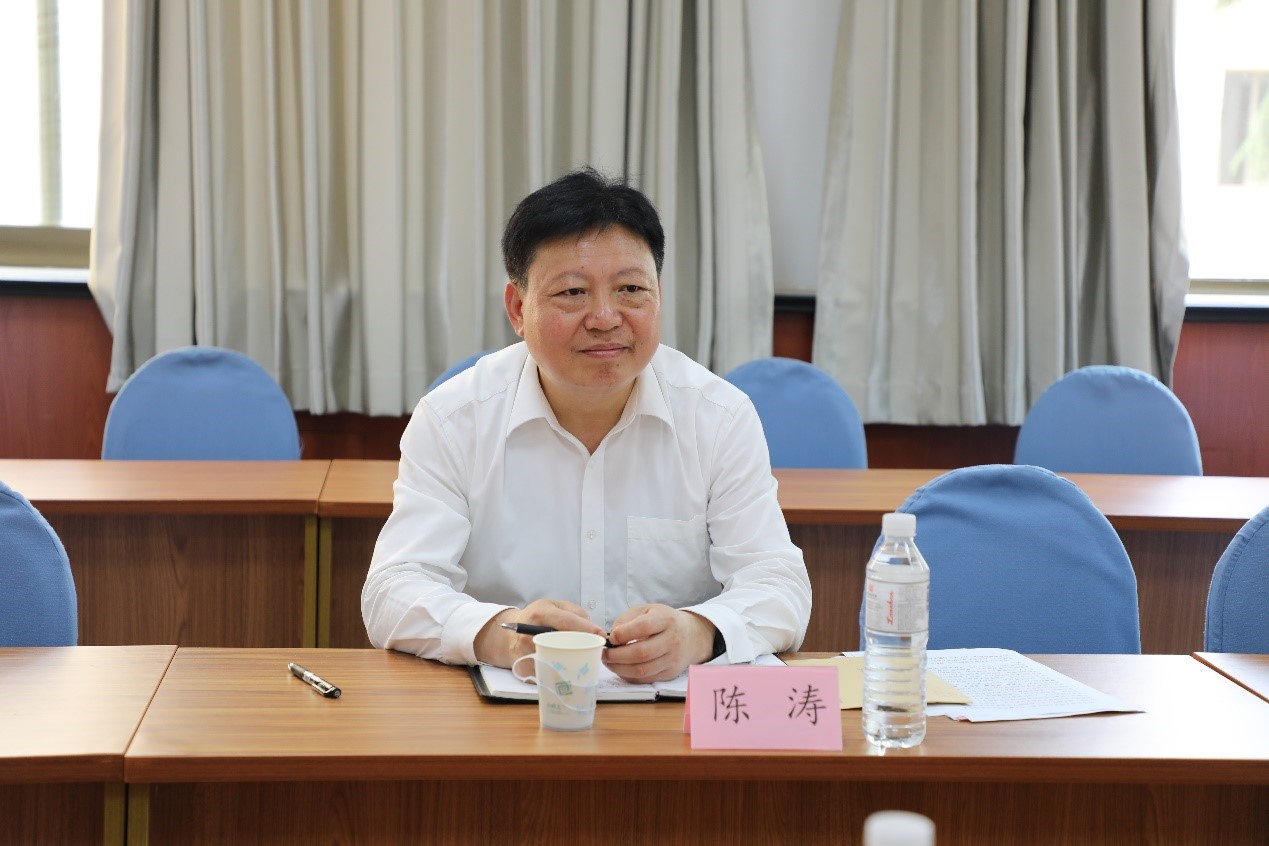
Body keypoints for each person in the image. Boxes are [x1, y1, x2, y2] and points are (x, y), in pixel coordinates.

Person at [362, 167, 811, 683]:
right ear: (518, 308)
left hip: (670, 715)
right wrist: (502, 635)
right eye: (573, 292)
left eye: (630, 289)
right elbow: (393, 589)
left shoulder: (719, 417)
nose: (604, 317)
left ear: (658, 294)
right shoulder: (452, 420)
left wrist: (700, 632)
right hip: (508, 712)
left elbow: (779, 584)